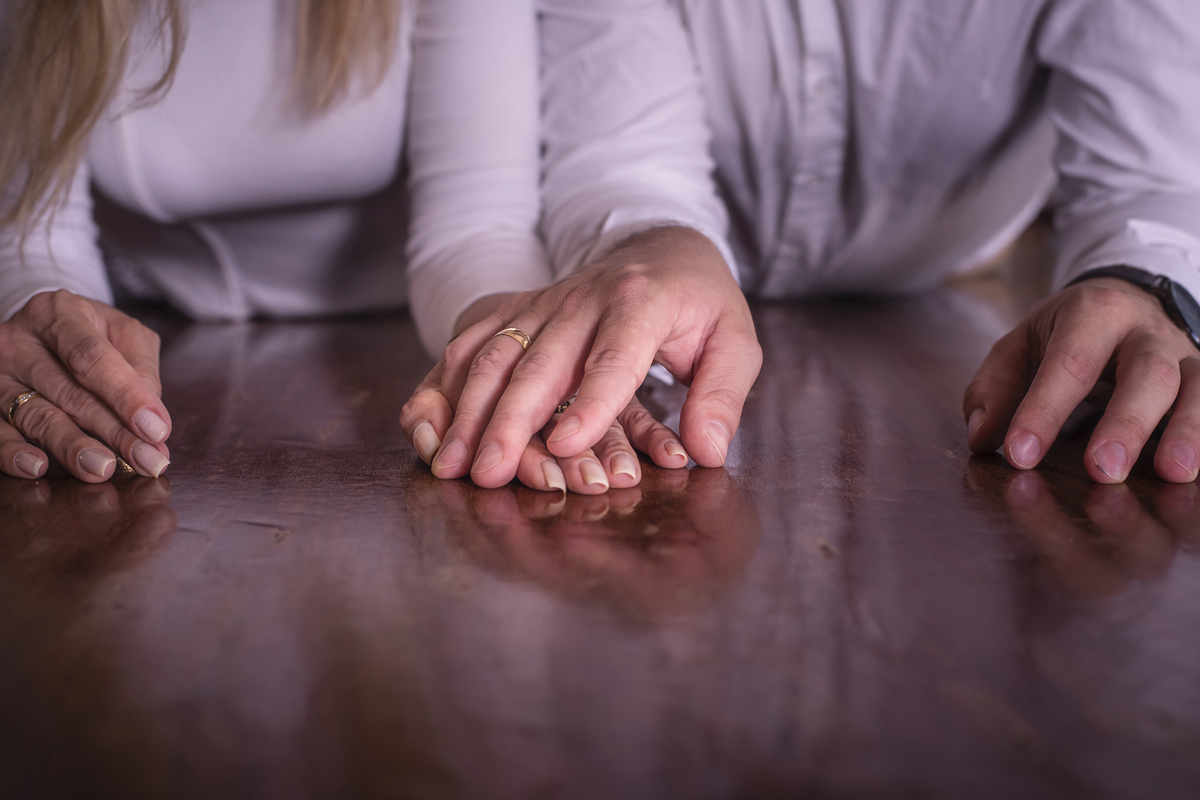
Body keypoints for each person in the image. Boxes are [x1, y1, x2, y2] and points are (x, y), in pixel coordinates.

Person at [402, 0, 1200, 490]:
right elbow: (619, 147)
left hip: (942, 277)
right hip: (662, 285)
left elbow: (1153, 167)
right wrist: (658, 248)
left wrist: (1139, 285)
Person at [0, 0, 567, 483]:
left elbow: (478, 224)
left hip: (421, 335)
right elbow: (36, 231)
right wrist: (50, 328)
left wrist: (510, 346)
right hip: (169, 335)